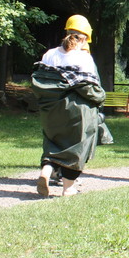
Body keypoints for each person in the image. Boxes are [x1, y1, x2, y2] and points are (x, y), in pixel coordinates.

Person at [32, 15, 106, 197]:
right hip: (75, 110)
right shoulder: (83, 58)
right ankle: (68, 188)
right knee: (76, 147)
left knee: (53, 142)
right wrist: (101, 97)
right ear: (85, 38)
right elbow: (89, 88)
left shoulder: (49, 54)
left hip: (51, 110)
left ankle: (47, 170)